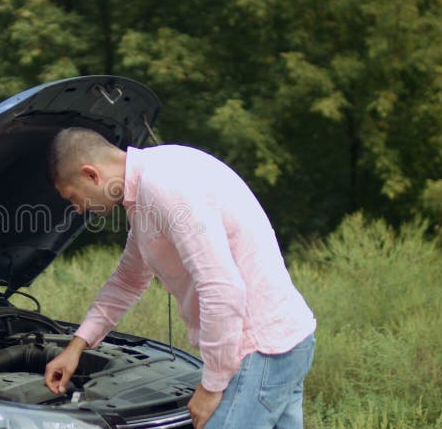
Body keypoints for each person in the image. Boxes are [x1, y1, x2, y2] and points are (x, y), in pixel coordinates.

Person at [43, 127, 316, 429]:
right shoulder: (147, 190)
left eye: (73, 197)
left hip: (258, 350)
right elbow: (128, 280)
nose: (79, 209)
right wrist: (76, 347)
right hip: (284, 342)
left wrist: (211, 387)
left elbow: (222, 289)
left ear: (91, 174)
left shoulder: (164, 186)